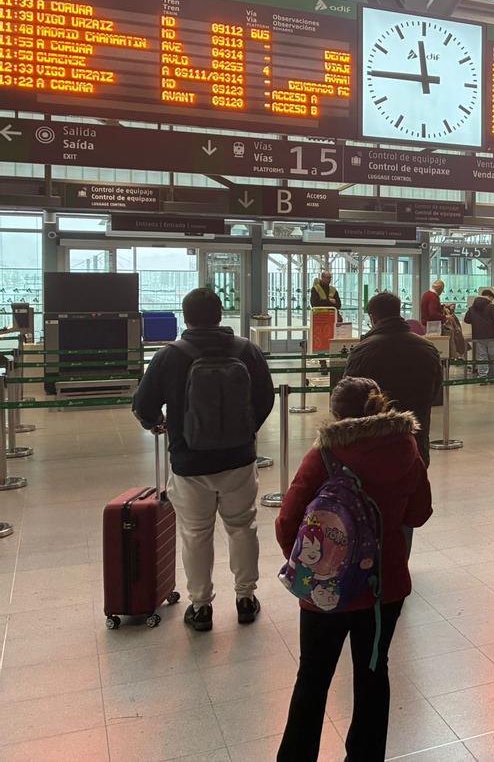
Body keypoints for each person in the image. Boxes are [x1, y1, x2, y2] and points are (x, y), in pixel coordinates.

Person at [275, 377, 433, 761]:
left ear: (336, 413)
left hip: (325, 590)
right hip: (385, 587)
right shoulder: (406, 447)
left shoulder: (324, 456)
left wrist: (316, 567)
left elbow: (287, 523)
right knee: (373, 673)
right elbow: (419, 513)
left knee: (313, 676)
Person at [132, 287, 275, 631]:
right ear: (220, 313)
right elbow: (267, 397)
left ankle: (200, 607)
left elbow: (144, 405)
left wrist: (159, 425)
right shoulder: (247, 350)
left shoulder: (170, 356)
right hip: (239, 460)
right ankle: (245, 598)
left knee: (196, 533)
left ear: (186, 316)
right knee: (242, 527)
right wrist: (245, 431)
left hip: (189, 461)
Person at [345, 291, 442, 466]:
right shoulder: (428, 348)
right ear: (398, 313)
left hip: (374, 442)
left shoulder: (362, 351)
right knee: (415, 484)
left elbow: (347, 397)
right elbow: (435, 390)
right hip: (416, 436)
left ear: (373, 318)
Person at [463, 288, 494, 378]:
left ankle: (482, 376)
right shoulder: (490, 306)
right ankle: (492, 376)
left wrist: (476, 321)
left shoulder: (472, 307)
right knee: (493, 356)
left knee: (482, 356)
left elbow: (466, 320)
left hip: (478, 336)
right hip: (491, 335)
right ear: (489, 297)